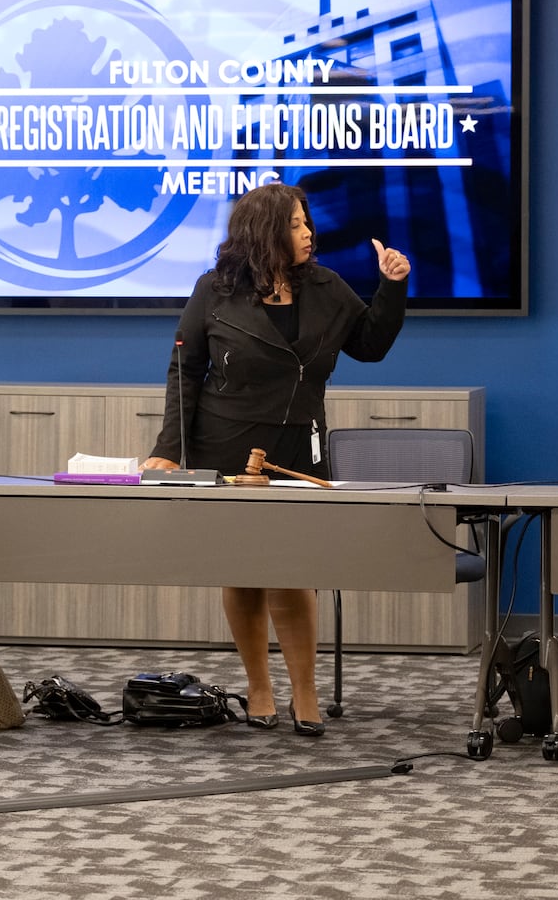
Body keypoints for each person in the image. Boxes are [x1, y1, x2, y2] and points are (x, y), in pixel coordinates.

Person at [143, 182, 411, 737]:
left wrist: (391, 286)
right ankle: (259, 686)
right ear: (266, 232)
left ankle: (305, 694)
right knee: (243, 572)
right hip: (228, 449)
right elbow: (184, 371)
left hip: (297, 452)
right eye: (295, 223)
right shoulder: (214, 291)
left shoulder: (327, 286)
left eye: (307, 221)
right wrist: (169, 450)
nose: (309, 231)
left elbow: (370, 343)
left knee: (296, 574)